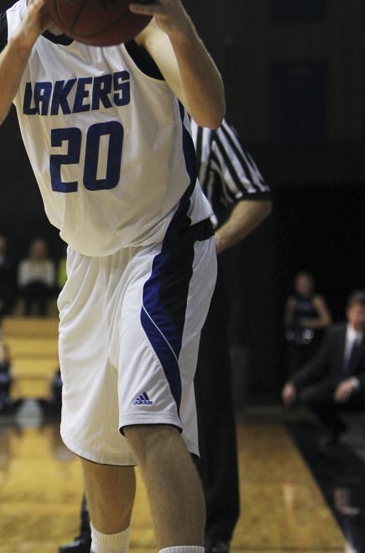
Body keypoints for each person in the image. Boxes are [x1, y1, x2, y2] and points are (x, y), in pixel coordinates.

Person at [0, 0, 225, 553]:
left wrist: (177, 20)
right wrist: (32, 32)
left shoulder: (127, 16)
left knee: (146, 421)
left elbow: (211, 110)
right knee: (97, 439)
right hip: (86, 255)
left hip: (161, 240)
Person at [61, 119, 272, 553]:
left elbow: (256, 196)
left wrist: (212, 243)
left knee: (197, 408)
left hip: (183, 267)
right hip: (114, 263)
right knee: (102, 409)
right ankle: (95, 533)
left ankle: (212, 532)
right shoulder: (113, 103)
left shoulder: (205, 126)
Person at [282, 290, 365, 446]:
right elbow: (317, 364)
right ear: (349, 312)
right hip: (335, 385)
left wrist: (353, 383)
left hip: (360, 389)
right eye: (357, 311)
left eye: (363, 311)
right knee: (309, 396)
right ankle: (336, 428)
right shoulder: (336, 334)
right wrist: (294, 383)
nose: (360, 315)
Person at [283, 270, 332, 376]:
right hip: (295, 340)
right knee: (294, 367)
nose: (301, 286)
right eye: (299, 284)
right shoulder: (292, 301)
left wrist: (311, 323)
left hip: (311, 341)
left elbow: (327, 321)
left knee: (310, 367)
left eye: (304, 283)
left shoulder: (316, 300)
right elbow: (287, 321)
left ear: (310, 284)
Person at [17, 237, 56, 317]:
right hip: (29, 290)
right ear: (32, 250)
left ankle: (42, 319)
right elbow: (23, 282)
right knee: (31, 289)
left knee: (40, 289)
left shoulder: (49, 264)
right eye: (36, 249)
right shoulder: (25, 264)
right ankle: (26, 318)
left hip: (44, 290)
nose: (38, 252)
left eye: (41, 250)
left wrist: (38, 280)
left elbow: (50, 282)